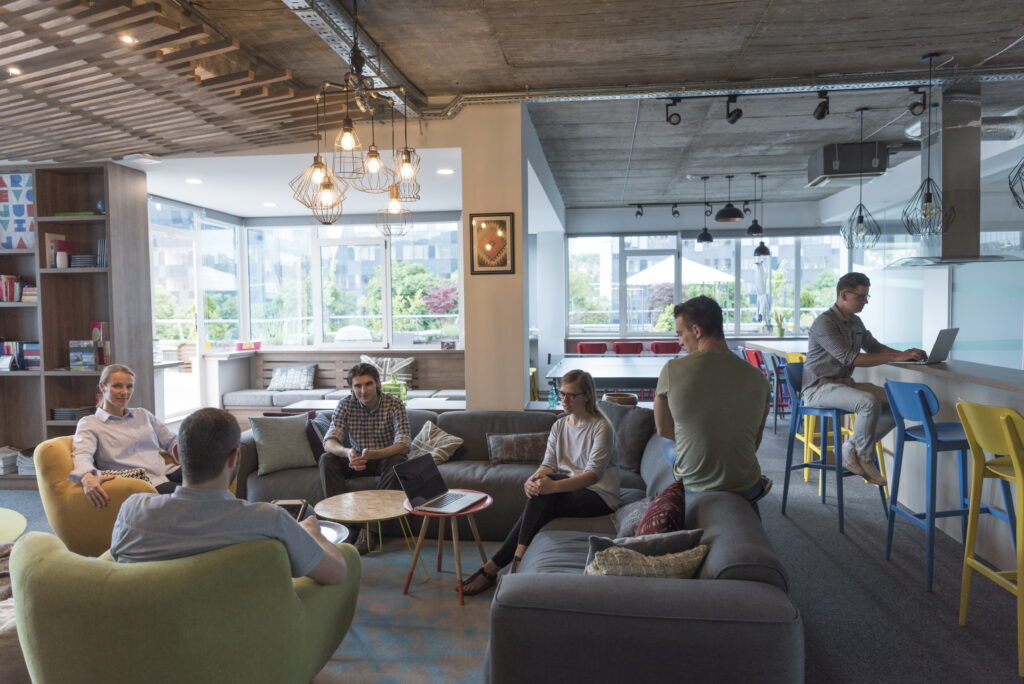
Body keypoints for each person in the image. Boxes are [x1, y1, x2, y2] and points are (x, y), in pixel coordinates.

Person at [111, 407, 347, 585]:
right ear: (234, 458)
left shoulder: (132, 512)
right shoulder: (269, 520)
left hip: (147, 639)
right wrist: (313, 533)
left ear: (176, 455)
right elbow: (336, 572)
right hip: (239, 638)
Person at [461, 369, 618, 596]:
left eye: (571, 395)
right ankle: (511, 561)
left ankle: (498, 566)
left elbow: (593, 475)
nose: (564, 400)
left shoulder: (601, 427)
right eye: (562, 393)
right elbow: (548, 464)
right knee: (542, 487)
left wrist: (551, 486)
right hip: (569, 488)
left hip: (599, 495)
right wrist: (533, 480)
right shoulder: (560, 425)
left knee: (548, 488)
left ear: (587, 396)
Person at [802, 272, 926, 485]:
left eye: (867, 296)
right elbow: (850, 358)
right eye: (861, 297)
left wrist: (906, 354)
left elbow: (874, 347)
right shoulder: (825, 323)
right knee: (868, 402)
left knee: (897, 402)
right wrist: (896, 356)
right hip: (818, 388)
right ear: (843, 295)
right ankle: (866, 458)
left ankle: (851, 447)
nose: (865, 301)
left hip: (843, 385)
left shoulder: (855, 322)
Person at [653, 296, 772, 506]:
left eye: (681, 334)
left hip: (694, 484)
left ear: (697, 331)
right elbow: (755, 440)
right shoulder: (758, 377)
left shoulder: (672, 370)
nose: (680, 341)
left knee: (661, 437)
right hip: (746, 483)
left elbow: (663, 429)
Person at [320, 362, 411, 553]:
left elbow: (403, 445)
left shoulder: (394, 404)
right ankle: (344, 526)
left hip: (384, 458)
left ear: (377, 383)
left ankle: (370, 531)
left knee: (399, 462)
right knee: (326, 459)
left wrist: (374, 454)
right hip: (356, 460)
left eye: (368, 384)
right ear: (352, 388)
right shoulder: (345, 404)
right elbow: (329, 441)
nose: (363, 390)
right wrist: (347, 453)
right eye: (357, 386)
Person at [70, 364, 181, 507]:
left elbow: (171, 440)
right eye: (117, 386)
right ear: (103, 386)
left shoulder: (143, 414)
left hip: (165, 471)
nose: (124, 392)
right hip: (141, 483)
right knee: (194, 497)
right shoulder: (90, 423)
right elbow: (82, 454)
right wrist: (86, 476)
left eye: (129, 387)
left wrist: (189, 457)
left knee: (213, 480)